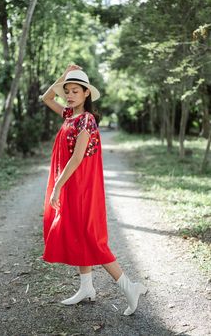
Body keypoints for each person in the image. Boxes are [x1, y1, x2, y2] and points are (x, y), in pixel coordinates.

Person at [41, 64, 148, 316]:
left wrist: (57, 186)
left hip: (81, 188)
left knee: (90, 238)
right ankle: (87, 287)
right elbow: (46, 97)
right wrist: (63, 76)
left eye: (74, 90)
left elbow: (77, 158)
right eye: (67, 90)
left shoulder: (86, 121)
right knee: (79, 235)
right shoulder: (69, 115)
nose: (69, 95)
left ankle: (129, 286)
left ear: (86, 93)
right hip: (71, 186)